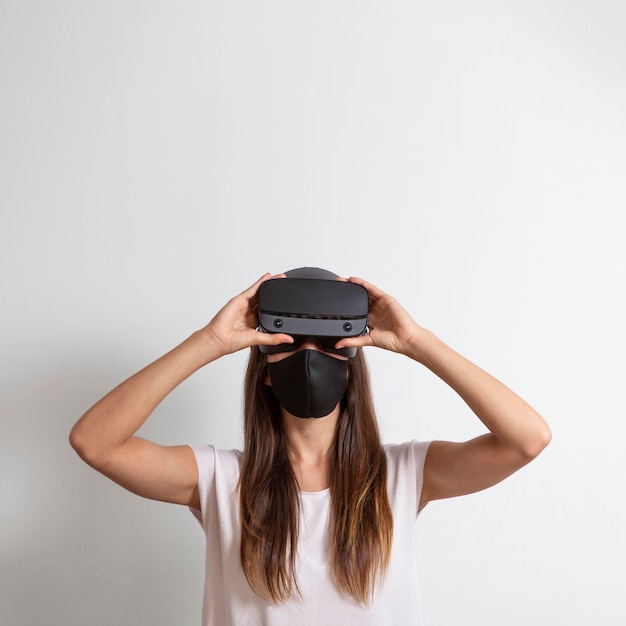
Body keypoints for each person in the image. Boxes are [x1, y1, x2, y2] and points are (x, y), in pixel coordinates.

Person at [69, 269, 551, 625]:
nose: (307, 356)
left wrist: (415, 340)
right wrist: (211, 341)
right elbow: (95, 442)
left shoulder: (401, 474)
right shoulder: (220, 479)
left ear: (351, 365)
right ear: (264, 372)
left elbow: (527, 439)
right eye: (289, 340)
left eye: (326, 342)